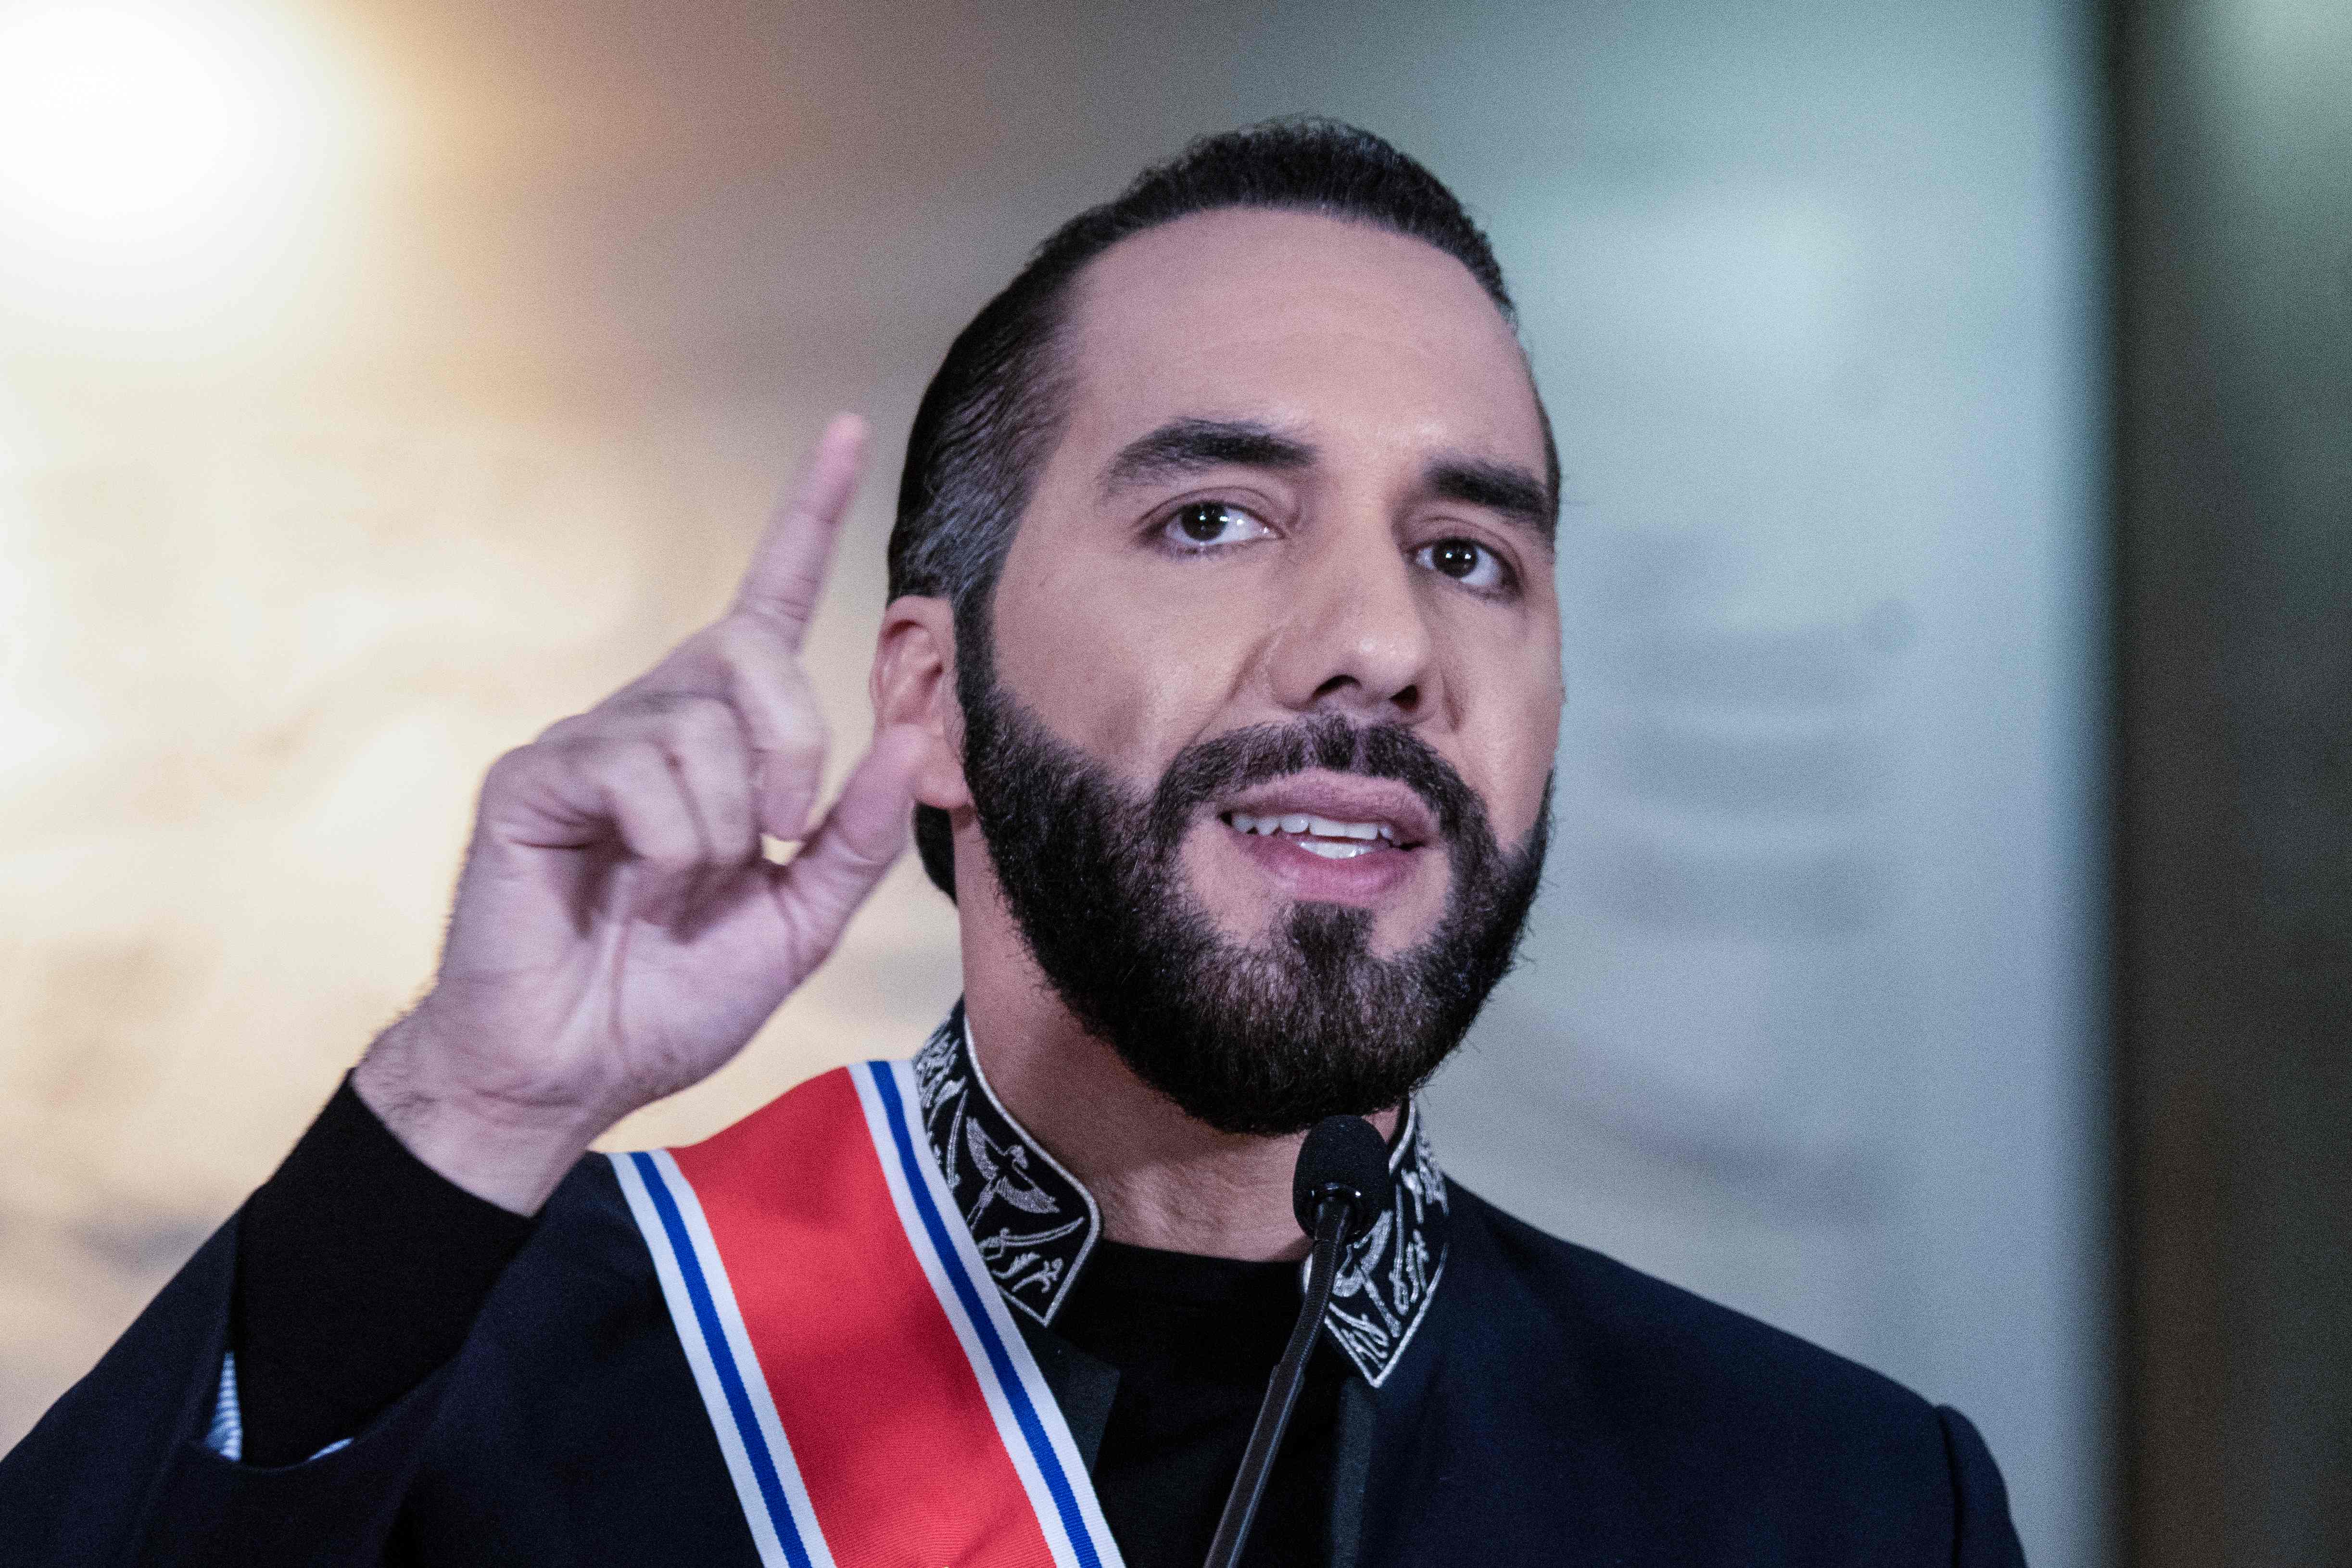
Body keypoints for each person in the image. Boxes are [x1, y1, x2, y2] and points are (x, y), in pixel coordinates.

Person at [0, 119, 2026, 1568]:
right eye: (1213, 518)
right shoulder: (474, 1375)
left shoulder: (1837, 1496)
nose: (1382, 641)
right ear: (928, 698)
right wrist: (466, 1094)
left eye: (1466, 551)